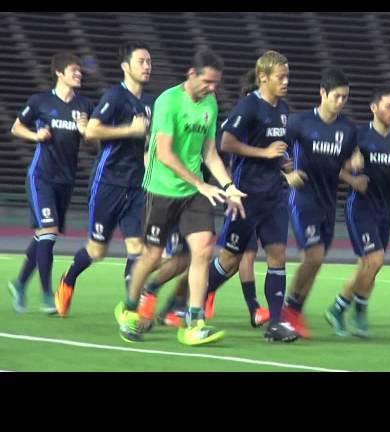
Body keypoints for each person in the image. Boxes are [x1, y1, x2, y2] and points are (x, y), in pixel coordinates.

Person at [114, 48, 245, 346]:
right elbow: (164, 153)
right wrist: (201, 184)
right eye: (208, 82)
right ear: (191, 75)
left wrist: (228, 185)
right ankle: (130, 308)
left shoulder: (209, 103)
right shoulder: (168, 101)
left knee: (202, 250)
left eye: (216, 83)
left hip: (193, 192)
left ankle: (194, 323)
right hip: (161, 189)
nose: (213, 89)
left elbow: (209, 152)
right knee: (152, 255)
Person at [205, 50, 302, 343]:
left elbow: (277, 148)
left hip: (274, 195)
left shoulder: (283, 109)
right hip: (246, 195)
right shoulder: (248, 107)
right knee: (230, 261)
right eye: (280, 77)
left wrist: (285, 165)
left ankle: (275, 324)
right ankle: (193, 298)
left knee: (277, 254)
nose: (286, 81)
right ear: (263, 78)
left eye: (287, 76)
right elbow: (226, 142)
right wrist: (264, 153)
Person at [54, 42, 153, 317]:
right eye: (141, 61)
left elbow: (144, 143)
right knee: (98, 250)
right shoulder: (115, 96)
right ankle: (69, 278)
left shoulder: (149, 103)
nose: (147, 66)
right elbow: (92, 132)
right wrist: (129, 130)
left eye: (149, 62)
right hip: (108, 182)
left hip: (135, 185)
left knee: (137, 248)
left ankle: (130, 307)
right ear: (125, 67)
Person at [325, 86, 390, 338]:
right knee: (375, 260)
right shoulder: (357, 136)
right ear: (374, 108)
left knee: (369, 266)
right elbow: (331, 165)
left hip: (384, 210)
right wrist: (352, 178)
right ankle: (343, 310)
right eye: (389, 106)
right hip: (360, 207)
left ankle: (351, 312)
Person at [8, 52, 91, 314]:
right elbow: (16, 127)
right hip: (41, 175)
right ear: (59, 73)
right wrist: (36, 135)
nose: (79, 74)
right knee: (50, 233)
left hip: (66, 180)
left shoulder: (85, 106)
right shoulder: (40, 102)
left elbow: (92, 138)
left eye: (80, 70)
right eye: (74, 70)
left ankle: (20, 283)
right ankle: (46, 296)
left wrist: (85, 130)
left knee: (44, 235)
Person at [280, 67, 359, 339]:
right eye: (337, 96)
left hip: (328, 203)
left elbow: (346, 158)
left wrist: (354, 163)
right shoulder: (300, 123)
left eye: (345, 98)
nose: (341, 102)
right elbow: (276, 147)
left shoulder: (347, 130)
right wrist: (287, 173)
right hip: (303, 199)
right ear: (323, 93)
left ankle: (295, 311)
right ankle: (288, 311)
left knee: (316, 260)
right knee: (313, 256)